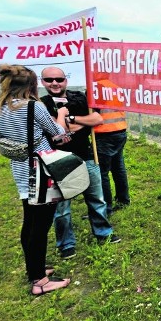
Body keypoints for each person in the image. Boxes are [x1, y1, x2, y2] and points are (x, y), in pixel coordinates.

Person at [0, 64, 71, 295]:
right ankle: (40, 282)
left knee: (29, 223)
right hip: (42, 170)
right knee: (41, 227)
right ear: (32, 85)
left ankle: (33, 269)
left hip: (20, 170)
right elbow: (57, 132)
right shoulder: (33, 107)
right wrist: (62, 115)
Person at [40, 66, 121, 260]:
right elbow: (55, 129)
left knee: (97, 198)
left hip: (86, 155)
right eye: (49, 79)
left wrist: (72, 119)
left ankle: (103, 232)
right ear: (42, 82)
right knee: (61, 208)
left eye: (59, 79)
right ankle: (66, 244)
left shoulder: (80, 97)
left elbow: (97, 118)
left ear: (65, 80)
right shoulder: (40, 104)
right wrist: (75, 124)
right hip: (56, 160)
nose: (55, 83)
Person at [94, 108, 131, 214]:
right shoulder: (117, 90)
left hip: (104, 132)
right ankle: (123, 200)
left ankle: (106, 207)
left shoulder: (96, 91)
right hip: (120, 129)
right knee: (118, 168)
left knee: (102, 172)